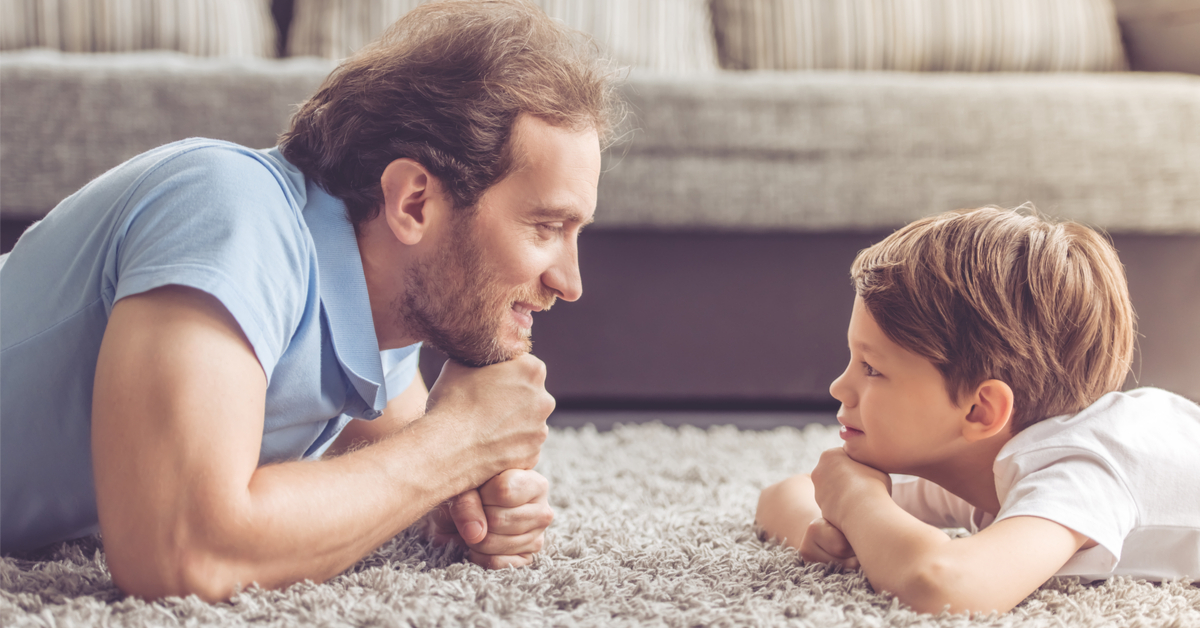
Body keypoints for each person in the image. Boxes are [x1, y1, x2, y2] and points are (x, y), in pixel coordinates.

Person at [0, 0, 621, 601]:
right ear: (414, 203)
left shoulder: (383, 321)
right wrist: (459, 443)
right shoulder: (229, 210)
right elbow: (178, 550)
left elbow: (405, 464)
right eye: (545, 228)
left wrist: (466, 496)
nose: (570, 282)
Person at [755, 207, 1200, 615]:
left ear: (979, 412)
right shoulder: (976, 460)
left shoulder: (1078, 471)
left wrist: (856, 502)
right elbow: (781, 495)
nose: (839, 386)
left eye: (871, 368)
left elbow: (946, 585)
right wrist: (823, 528)